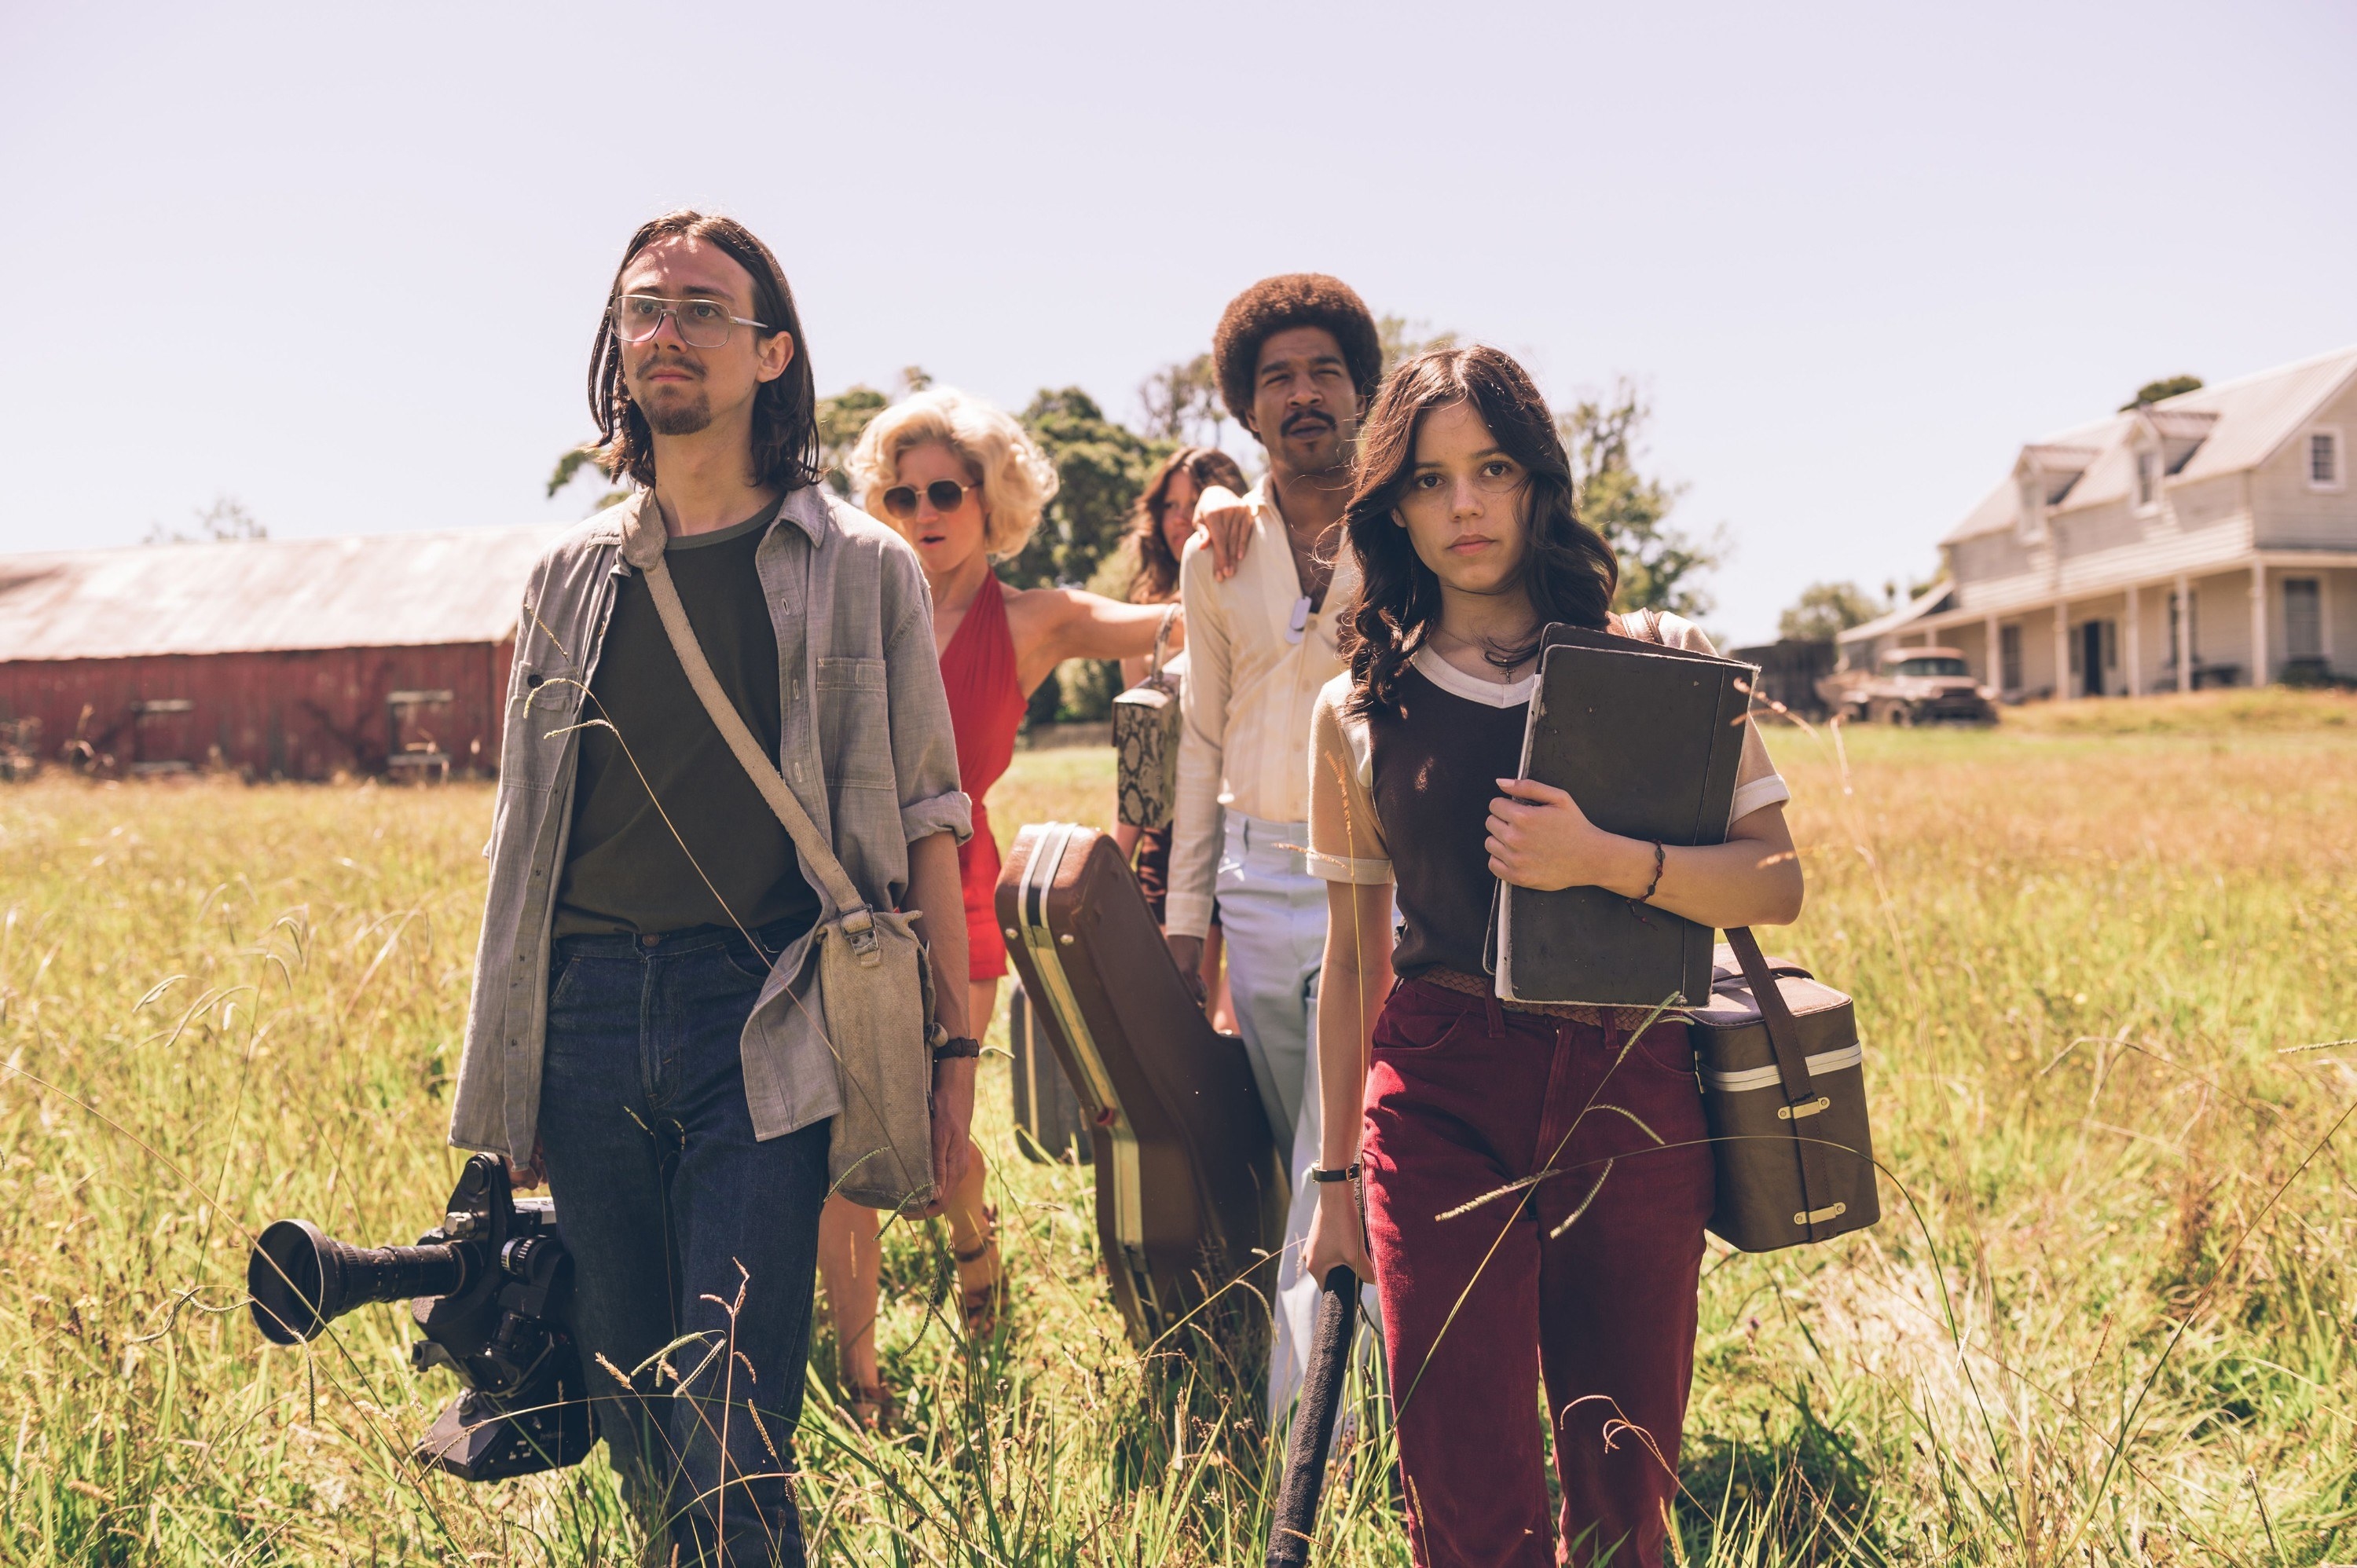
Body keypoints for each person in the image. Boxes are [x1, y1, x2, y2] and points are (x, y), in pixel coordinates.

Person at [447, 212, 977, 1566]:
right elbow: (524, 847)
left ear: (771, 353)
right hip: (585, 1014)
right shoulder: (568, 577)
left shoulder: (861, 567)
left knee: (730, 1403)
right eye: (642, 307)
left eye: (700, 308)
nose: (665, 332)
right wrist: (506, 1075)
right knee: (629, 1403)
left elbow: (930, 813)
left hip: (767, 1009)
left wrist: (951, 1047)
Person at [1303, 346, 1803, 1567]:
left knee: (1624, 1499)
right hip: (1439, 1091)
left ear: (1540, 485)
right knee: (1465, 1499)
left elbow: (1775, 881)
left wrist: (1599, 858)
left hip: (1628, 1081)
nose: (1464, 508)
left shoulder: (1655, 662)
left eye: (1493, 470)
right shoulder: (1356, 707)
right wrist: (1330, 1190)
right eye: (1428, 483)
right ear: (1392, 507)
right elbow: (1355, 963)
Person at [817, 387, 1178, 1422]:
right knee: (847, 1149)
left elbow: (1184, 625)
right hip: (840, 900)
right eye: (901, 493)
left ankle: (971, 1238)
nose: (924, 511)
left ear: (991, 501)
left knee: (938, 1152)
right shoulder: (847, 614)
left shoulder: (1032, 621)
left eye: (946, 491)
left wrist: (1242, 544)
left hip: (958, 900)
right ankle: (861, 1381)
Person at [1165, 274, 1386, 1420]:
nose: (1303, 397)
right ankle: (1358, 1403)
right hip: (1252, 884)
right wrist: (1186, 929)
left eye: (1324, 374)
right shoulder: (1221, 548)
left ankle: (1317, 1447)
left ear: (1362, 391)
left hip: (1375, 883)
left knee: (1337, 1159)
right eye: (1277, 379)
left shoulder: (1410, 528)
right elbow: (1199, 739)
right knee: (1306, 1156)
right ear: (1248, 411)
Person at [1116, 445, 1248, 1028]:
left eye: (1193, 503)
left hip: (1244, 813)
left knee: (1238, 1010)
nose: (1179, 517)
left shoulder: (1251, 600)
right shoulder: (1141, 617)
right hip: (1166, 829)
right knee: (1175, 1005)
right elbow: (1136, 752)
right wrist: (1113, 854)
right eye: (1168, 504)